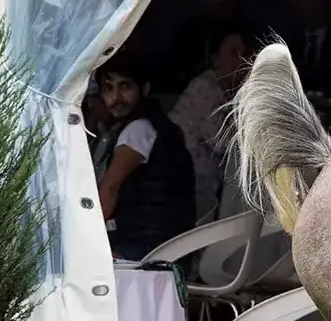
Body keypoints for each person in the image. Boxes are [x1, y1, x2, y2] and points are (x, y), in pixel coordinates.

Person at [92, 50, 196, 261]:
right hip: (163, 245)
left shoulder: (138, 129)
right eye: (108, 89)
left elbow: (109, 188)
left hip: (145, 248)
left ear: (144, 89)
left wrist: (86, 238)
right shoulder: (157, 126)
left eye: (125, 86)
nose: (116, 98)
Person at [169, 25, 251, 223]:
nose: (242, 60)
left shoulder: (228, 90)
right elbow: (223, 143)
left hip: (206, 185)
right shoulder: (205, 88)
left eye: (245, 53)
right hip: (189, 186)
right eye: (233, 52)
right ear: (216, 59)